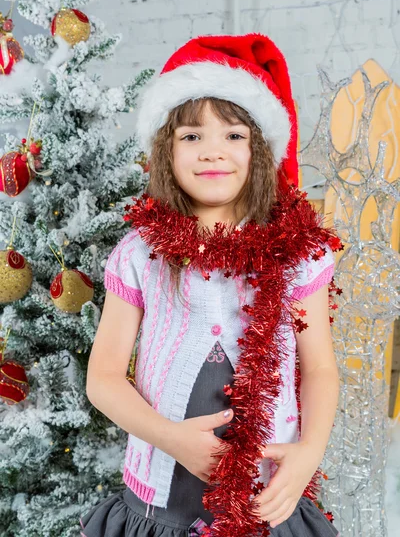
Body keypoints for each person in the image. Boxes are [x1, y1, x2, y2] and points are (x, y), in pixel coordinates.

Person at [79, 33, 341, 537]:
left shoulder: (298, 252)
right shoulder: (141, 252)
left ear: (260, 149)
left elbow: (321, 368)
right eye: (192, 137)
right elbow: (104, 377)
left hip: (267, 499)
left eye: (234, 135)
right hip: (160, 501)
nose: (212, 152)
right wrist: (172, 439)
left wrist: (308, 455)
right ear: (166, 151)